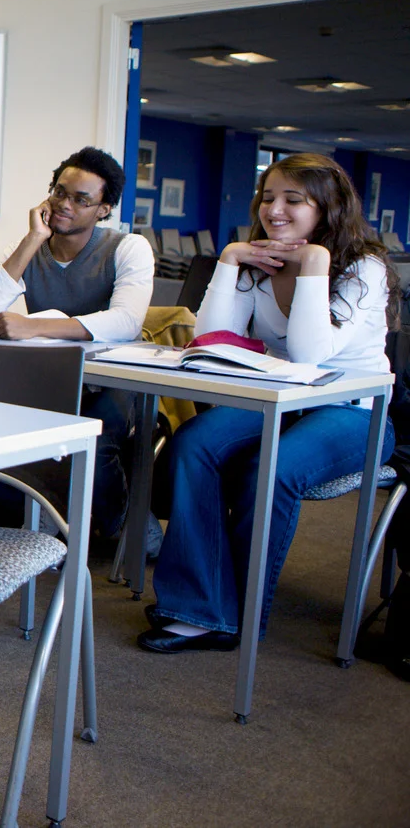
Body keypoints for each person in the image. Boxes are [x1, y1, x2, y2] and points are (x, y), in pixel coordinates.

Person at [139, 153, 395, 653]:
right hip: (280, 399)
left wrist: (315, 264)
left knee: (270, 469)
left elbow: (308, 354)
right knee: (194, 444)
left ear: (327, 208)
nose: (274, 210)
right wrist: (230, 261)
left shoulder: (364, 267)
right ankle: (201, 606)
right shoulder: (259, 260)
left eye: (293, 200)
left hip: (353, 412)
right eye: (268, 197)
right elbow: (212, 337)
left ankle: (238, 611)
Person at [0, 146, 154, 538]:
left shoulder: (127, 247)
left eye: (81, 200)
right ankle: (51, 513)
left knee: (94, 439)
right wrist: (34, 238)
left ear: (103, 209)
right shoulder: (29, 247)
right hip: (50, 376)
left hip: (114, 380)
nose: (65, 205)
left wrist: (34, 327)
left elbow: (126, 320)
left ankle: (119, 523)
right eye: (59, 192)